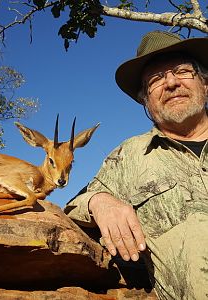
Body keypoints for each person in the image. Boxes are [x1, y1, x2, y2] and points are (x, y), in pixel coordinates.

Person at [64, 30, 208, 300]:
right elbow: (75, 204)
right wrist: (99, 200)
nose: (171, 83)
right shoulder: (129, 155)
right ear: (145, 99)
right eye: (156, 79)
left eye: (182, 71)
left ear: (205, 83)